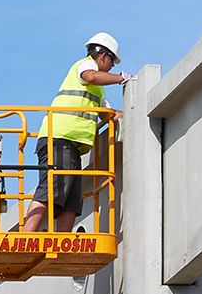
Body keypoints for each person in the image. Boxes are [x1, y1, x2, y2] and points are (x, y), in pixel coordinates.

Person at [21, 32, 129, 232]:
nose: (113, 66)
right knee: (52, 189)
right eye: (112, 61)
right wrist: (121, 79)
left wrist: (133, 112)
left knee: (72, 198)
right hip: (58, 138)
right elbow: (92, 76)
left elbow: (109, 114)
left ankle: (62, 241)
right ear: (103, 56)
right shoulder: (85, 65)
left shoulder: (98, 92)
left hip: (71, 145)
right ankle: (26, 237)